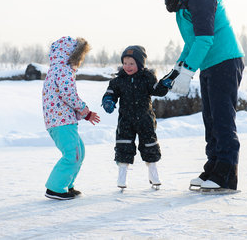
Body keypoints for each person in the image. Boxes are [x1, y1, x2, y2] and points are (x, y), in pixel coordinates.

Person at [151, 0, 245, 191]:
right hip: (211, 64)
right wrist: (174, 73)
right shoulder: (184, 3)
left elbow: (205, 39)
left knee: (223, 119)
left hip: (225, 60)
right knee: (210, 119)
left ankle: (226, 173)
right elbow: (191, 43)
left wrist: (188, 71)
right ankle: (213, 168)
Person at [102, 45, 171, 189]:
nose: (127, 66)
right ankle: (122, 176)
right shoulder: (119, 79)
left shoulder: (147, 78)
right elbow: (110, 92)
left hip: (145, 118)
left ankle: (153, 173)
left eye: (131, 63)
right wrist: (108, 100)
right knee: (123, 146)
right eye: (125, 63)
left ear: (140, 64)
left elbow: (157, 91)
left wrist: (164, 85)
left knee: (149, 146)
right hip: (126, 120)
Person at [42, 36, 100, 200]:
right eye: (79, 57)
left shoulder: (56, 70)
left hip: (62, 121)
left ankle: (67, 184)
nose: (80, 61)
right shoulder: (63, 70)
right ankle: (54, 188)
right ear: (71, 55)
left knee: (78, 151)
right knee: (72, 154)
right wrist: (85, 111)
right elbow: (68, 94)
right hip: (61, 122)